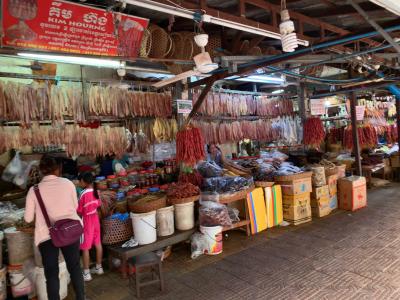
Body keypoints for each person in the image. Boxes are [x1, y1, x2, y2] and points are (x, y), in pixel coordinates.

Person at [24, 155, 85, 300]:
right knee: (74, 267)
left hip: (46, 236)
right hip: (69, 231)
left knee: (51, 273)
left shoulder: (34, 190)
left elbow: (28, 219)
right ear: (58, 169)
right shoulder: (68, 183)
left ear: (42, 170)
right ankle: (81, 297)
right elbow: (75, 206)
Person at [77, 172, 103, 282]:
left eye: (80, 181)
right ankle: (99, 267)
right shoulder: (96, 191)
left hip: (87, 221)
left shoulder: (83, 194)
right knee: (98, 243)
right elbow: (99, 204)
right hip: (95, 219)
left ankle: (86, 273)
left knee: (85, 247)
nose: (79, 183)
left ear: (84, 181)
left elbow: (79, 210)